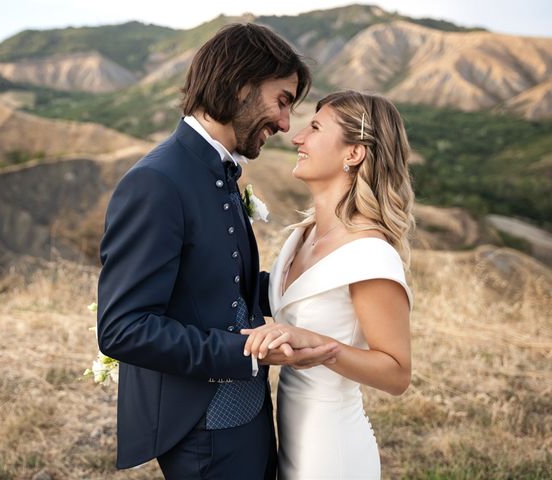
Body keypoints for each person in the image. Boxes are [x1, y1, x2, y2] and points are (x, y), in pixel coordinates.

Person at [97, 23, 338, 479]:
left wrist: (323, 291)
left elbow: (222, 283)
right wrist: (249, 352)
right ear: (240, 85)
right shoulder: (157, 182)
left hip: (248, 413)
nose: (286, 123)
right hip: (202, 429)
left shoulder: (218, 171)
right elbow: (122, 329)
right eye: (282, 100)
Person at [242, 90, 415, 479]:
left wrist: (323, 350)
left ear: (353, 153)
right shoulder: (301, 237)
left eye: (315, 128)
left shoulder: (370, 255)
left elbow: (397, 374)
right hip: (288, 436)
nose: (297, 137)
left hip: (332, 451)